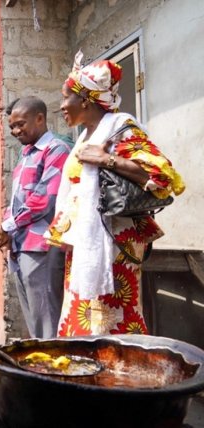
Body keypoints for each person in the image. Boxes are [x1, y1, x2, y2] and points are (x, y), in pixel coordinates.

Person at [47, 51, 185, 336]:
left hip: (115, 243)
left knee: (113, 313)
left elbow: (162, 177)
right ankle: (87, 372)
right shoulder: (85, 136)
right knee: (84, 311)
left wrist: (107, 159)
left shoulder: (122, 127)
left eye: (66, 98)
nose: (62, 106)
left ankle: (117, 371)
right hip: (85, 241)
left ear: (85, 99)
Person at [0, 96, 70, 339]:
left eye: (20, 124)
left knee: (46, 316)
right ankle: (40, 365)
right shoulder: (26, 153)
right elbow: (18, 198)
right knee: (33, 318)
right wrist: (7, 230)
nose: (16, 131)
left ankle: (51, 370)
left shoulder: (56, 149)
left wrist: (8, 225)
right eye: (12, 127)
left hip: (42, 245)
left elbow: (44, 199)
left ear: (40, 118)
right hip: (21, 244)